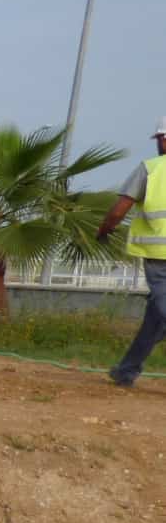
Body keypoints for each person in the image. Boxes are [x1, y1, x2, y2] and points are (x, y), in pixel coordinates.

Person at [98, 116, 166, 388]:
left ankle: (126, 370)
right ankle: (126, 371)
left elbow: (119, 209)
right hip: (158, 258)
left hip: (159, 258)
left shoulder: (150, 169)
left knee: (163, 311)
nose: (160, 142)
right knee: (155, 319)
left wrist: (104, 231)